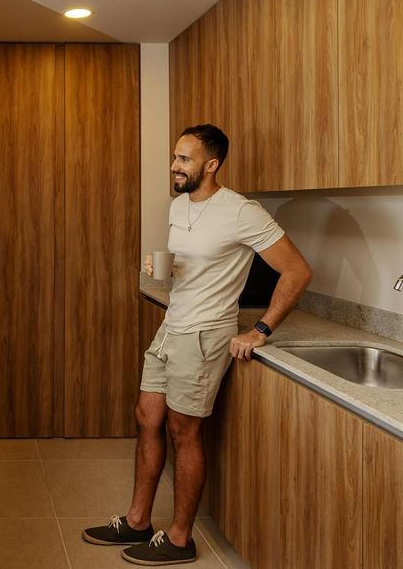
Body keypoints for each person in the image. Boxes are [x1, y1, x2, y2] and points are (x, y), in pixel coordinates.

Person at [82, 124, 312, 565]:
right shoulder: (178, 206)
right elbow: (194, 268)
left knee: (182, 431)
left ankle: (180, 538)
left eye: (184, 159)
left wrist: (260, 330)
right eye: (175, 156)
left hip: (206, 334)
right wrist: (165, 269)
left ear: (211, 164)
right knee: (146, 417)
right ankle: (136, 520)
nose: (174, 165)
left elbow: (297, 271)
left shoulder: (242, 211)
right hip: (172, 326)